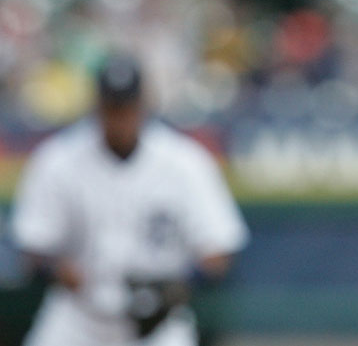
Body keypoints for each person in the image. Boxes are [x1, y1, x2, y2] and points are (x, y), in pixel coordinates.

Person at [9, 53, 249, 346]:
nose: (120, 118)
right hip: (78, 318)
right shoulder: (58, 159)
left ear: (142, 105)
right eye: (112, 108)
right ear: (97, 106)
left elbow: (218, 248)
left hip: (159, 321)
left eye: (127, 107)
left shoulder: (184, 162)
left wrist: (178, 286)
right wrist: (57, 269)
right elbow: (32, 244)